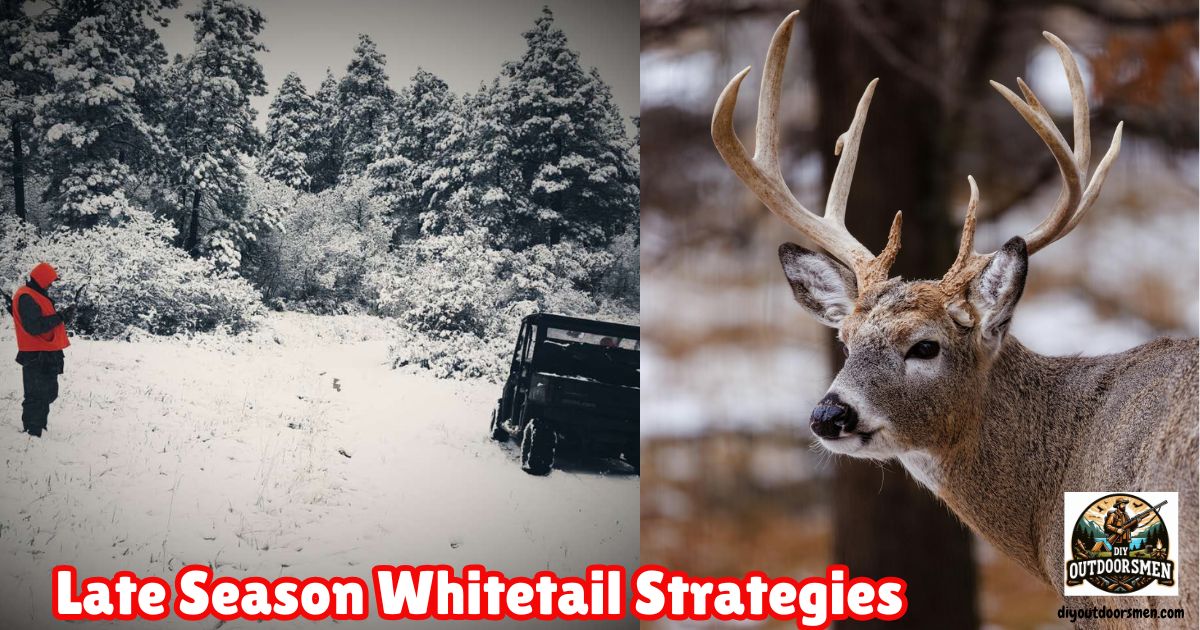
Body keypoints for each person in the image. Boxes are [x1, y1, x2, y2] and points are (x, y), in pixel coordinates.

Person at [7, 263, 71, 437]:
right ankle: (32, 432)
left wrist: (61, 316)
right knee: (36, 395)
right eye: (50, 281)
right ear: (42, 279)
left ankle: (39, 427)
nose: (51, 285)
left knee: (49, 392)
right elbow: (34, 327)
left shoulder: (35, 295)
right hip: (35, 354)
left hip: (46, 351)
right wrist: (60, 317)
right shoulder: (27, 297)